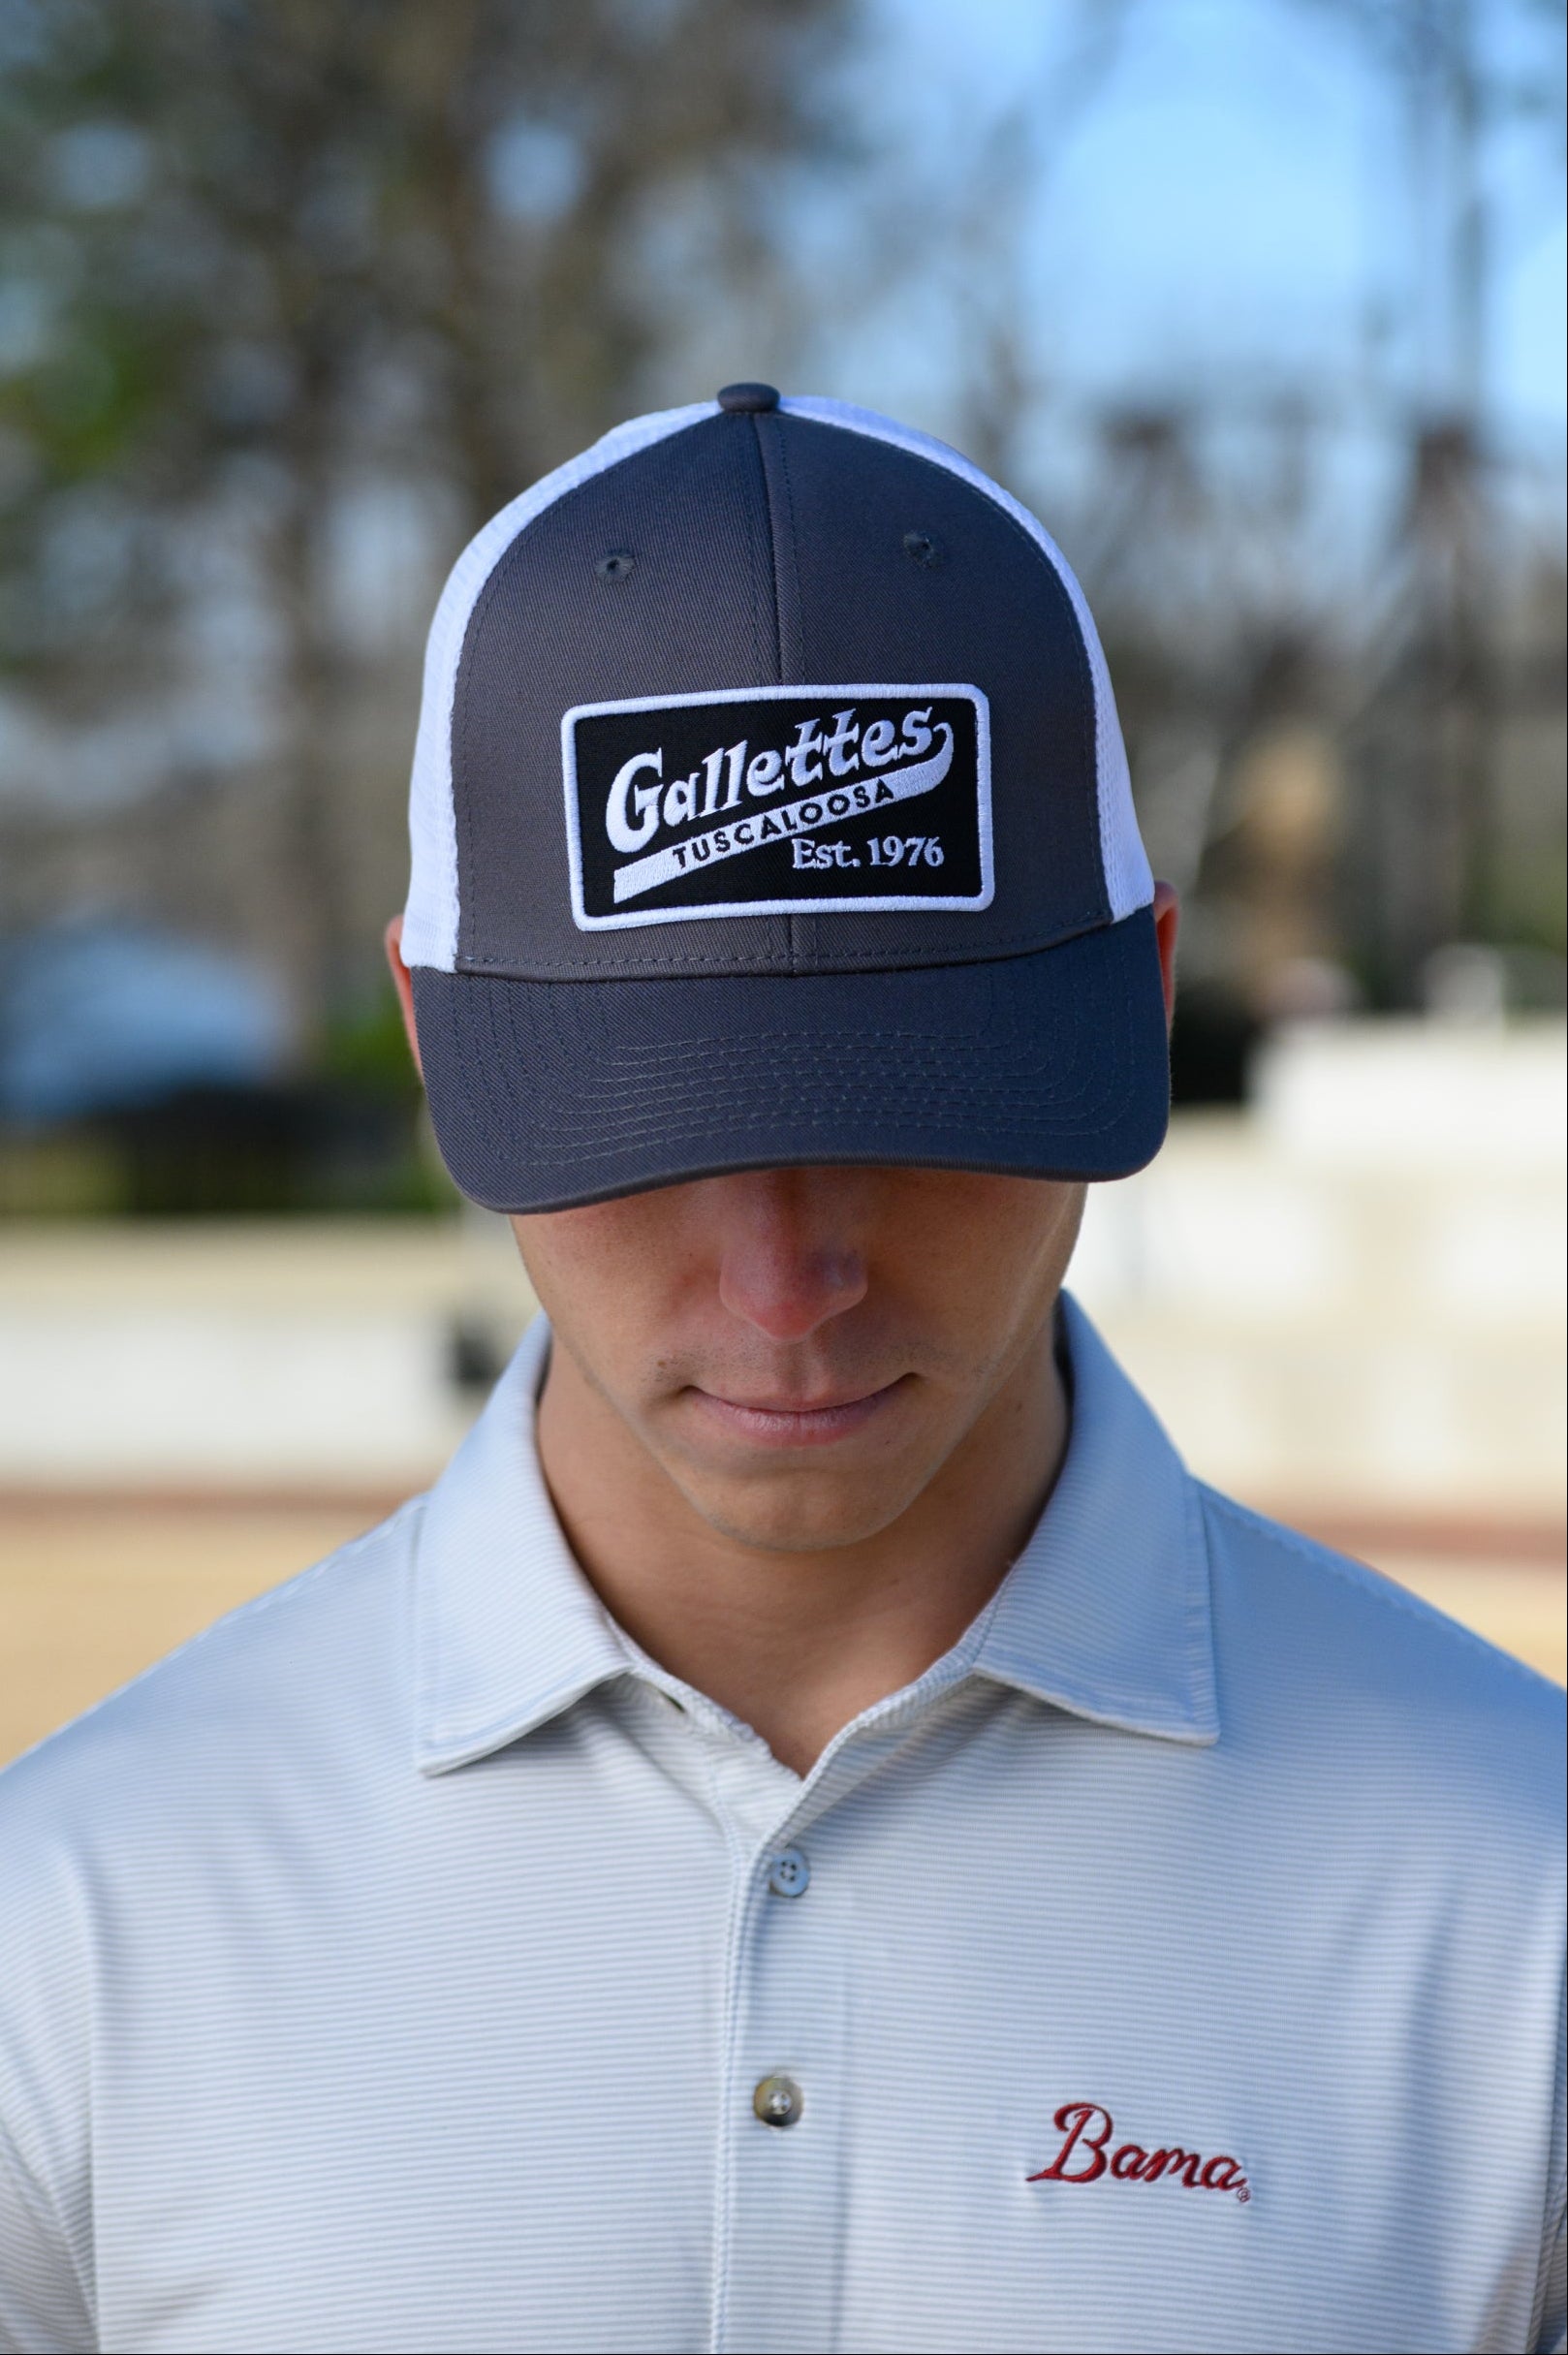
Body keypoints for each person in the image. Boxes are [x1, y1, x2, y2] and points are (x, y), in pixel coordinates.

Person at [0, 386, 1560, 2355]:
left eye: (917, 1109)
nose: (787, 1279)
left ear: (1146, 996)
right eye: (650, 1131)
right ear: (426, 1024)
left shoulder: (1520, 1909)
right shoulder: (70, 1928)